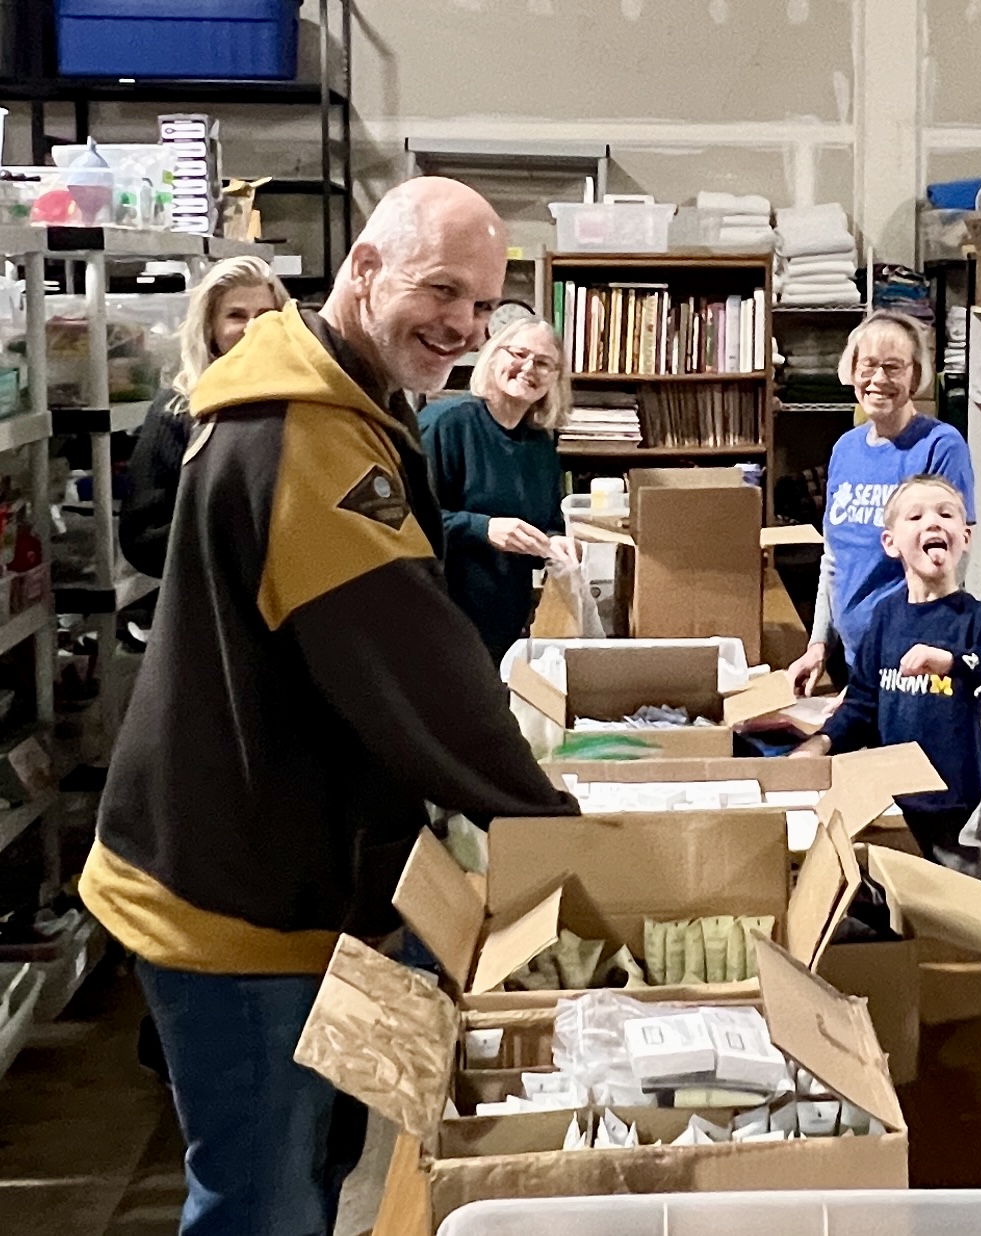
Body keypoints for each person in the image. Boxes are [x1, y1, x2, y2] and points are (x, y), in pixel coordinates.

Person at [79, 177, 580, 1236]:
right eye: (441, 290)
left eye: (483, 305)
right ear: (363, 269)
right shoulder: (307, 435)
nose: (465, 326)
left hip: (296, 869)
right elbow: (409, 657)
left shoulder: (345, 397)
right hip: (237, 897)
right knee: (264, 1201)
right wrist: (558, 832)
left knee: (315, 1170)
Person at [792, 474, 981, 869]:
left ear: (965, 537)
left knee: (972, 905)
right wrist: (821, 742)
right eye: (916, 516)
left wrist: (954, 662)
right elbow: (862, 703)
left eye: (946, 515)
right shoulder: (886, 619)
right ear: (891, 543)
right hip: (892, 807)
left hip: (960, 814)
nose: (933, 522)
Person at [787, 310, 974, 695]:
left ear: (915, 376)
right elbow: (834, 559)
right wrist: (819, 644)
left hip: (908, 665)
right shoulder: (845, 449)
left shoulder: (940, 446)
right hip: (852, 660)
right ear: (851, 371)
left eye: (893, 367)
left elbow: (948, 564)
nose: (878, 379)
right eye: (868, 365)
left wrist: (886, 675)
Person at [420, 312, 577, 661]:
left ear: (555, 379)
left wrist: (556, 543)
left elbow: (549, 520)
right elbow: (406, 519)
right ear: (493, 357)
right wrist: (483, 528)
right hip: (438, 620)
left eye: (543, 363)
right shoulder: (446, 425)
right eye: (519, 354)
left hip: (505, 624)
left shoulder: (540, 444)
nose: (528, 368)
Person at [120, 256, 289, 578]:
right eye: (236, 315)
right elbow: (142, 539)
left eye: (266, 316)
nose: (253, 327)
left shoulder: (301, 403)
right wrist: (239, 541)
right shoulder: (178, 409)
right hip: (212, 594)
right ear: (210, 327)